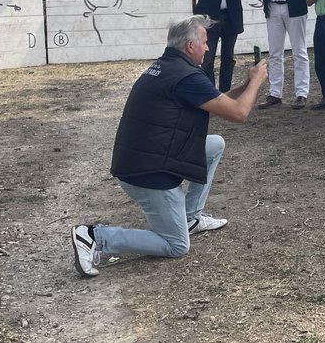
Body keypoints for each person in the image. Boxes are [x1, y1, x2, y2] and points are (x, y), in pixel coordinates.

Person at [70, 15, 269, 278]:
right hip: (148, 172)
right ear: (190, 46)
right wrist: (256, 82)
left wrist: (245, 84)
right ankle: (95, 236)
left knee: (214, 144)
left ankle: (191, 217)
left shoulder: (171, 67)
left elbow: (218, 101)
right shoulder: (186, 76)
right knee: (176, 245)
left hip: (145, 157)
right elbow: (239, 113)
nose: (208, 48)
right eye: (205, 43)